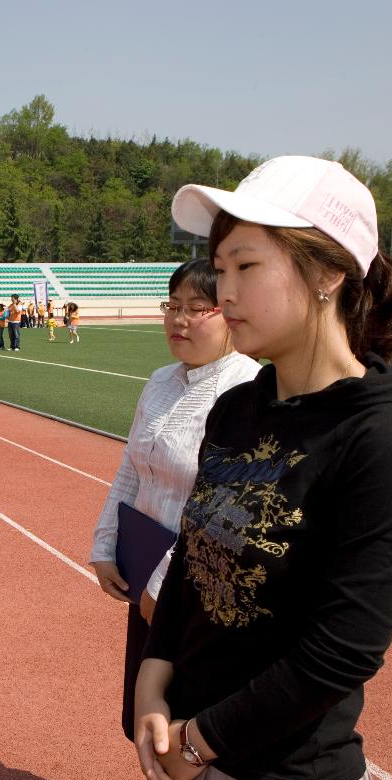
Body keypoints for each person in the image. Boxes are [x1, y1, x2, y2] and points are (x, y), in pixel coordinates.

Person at [135, 156, 392, 780]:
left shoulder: (385, 438)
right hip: (186, 757)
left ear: (329, 272)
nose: (224, 289)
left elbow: (342, 651)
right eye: (220, 267)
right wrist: (151, 681)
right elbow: (193, 553)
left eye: (247, 266)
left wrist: (199, 740)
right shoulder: (238, 407)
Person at [89, 259, 258, 742]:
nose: (179, 320)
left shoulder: (245, 390)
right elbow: (131, 466)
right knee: (145, 719)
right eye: (172, 306)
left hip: (198, 590)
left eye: (196, 308)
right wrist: (105, 544)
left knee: (188, 723)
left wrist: (163, 584)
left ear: (229, 313)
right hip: (146, 578)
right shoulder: (161, 381)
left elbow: (224, 507)